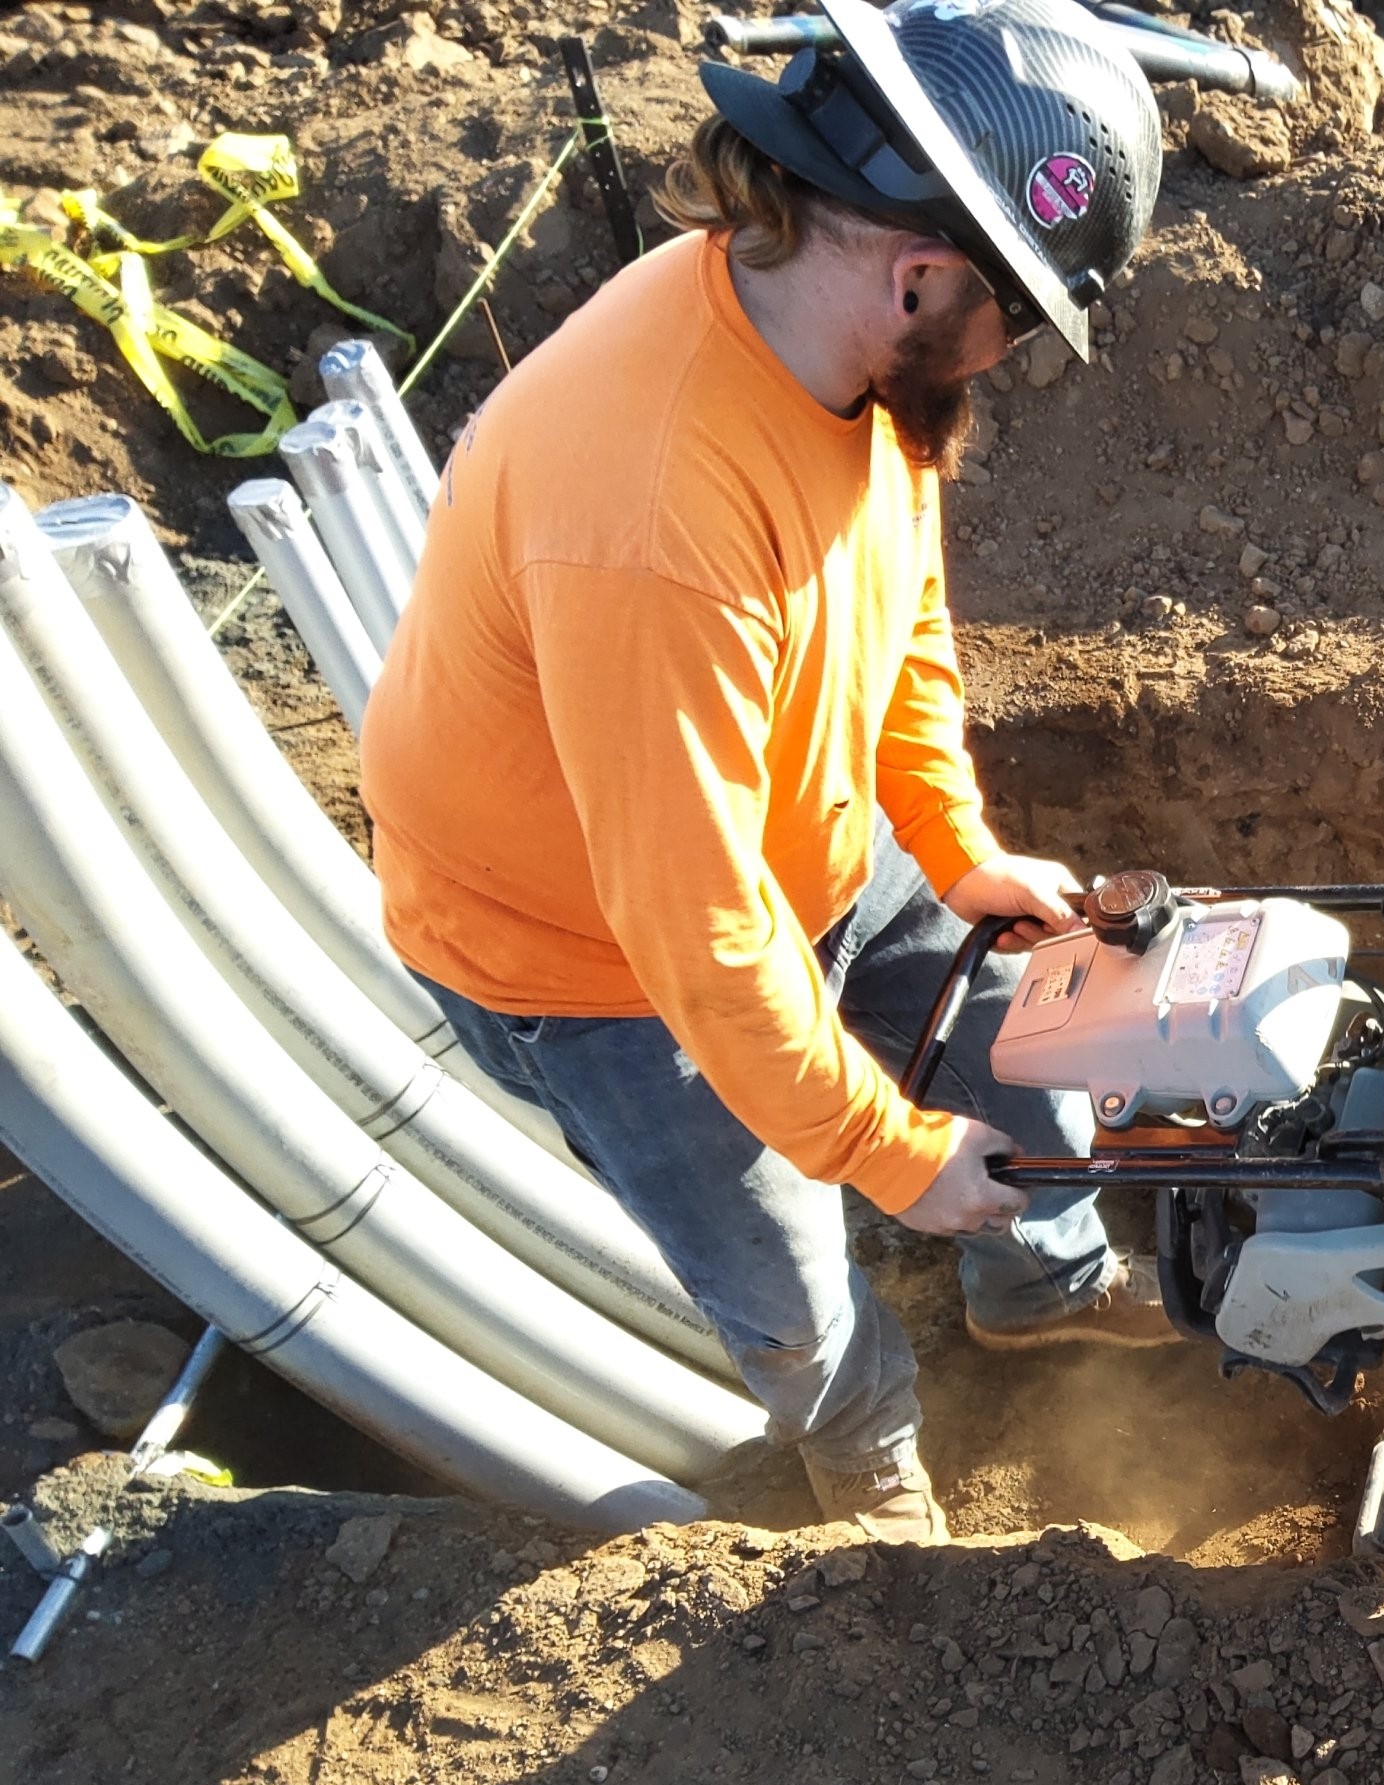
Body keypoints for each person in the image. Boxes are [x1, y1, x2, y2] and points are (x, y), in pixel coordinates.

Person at [357, 0, 1175, 1544]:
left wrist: (951, 844)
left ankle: (1038, 1290)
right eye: (1026, 317)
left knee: (1033, 1044)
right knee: (787, 1264)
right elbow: (696, 926)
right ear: (927, 273)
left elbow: (900, 610)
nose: (1018, 359)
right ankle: (867, 1466)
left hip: (800, 832)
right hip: (592, 952)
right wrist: (884, 1151)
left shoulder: (861, 365)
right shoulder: (657, 503)